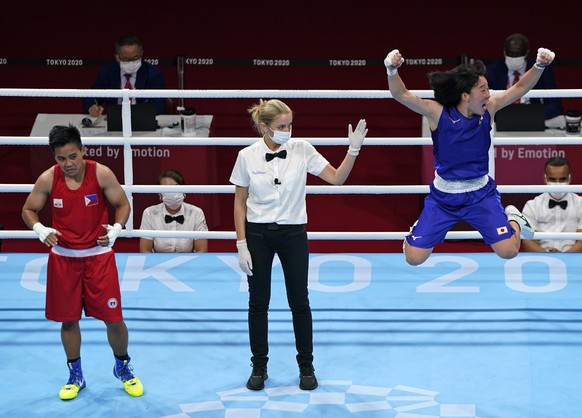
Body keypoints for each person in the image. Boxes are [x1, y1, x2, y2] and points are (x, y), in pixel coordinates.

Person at [230, 99, 367, 391]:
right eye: (281, 126)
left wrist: (352, 150)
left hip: (293, 234)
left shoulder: (302, 148)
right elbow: (240, 203)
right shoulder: (246, 155)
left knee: (299, 302)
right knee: (258, 303)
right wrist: (241, 242)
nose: (287, 130)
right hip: (257, 235)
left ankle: (306, 366)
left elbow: (337, 179)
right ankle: (259, 366)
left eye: (290, 124)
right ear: (264, 127)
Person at [384, 46, 556, 266]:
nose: (488, 94)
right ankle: (419, 228)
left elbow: (520, 87)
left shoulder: (489, 109)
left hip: (480, 195)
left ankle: (514, 217)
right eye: (483, 90)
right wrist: (392, 70)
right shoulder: (438, 113)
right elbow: (401, 94)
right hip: (443, 198)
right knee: (414, 258)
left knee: (509, 251)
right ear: (465, 96)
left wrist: (540, 65)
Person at [21, 125, 143, 400]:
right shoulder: (48, 179)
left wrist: (116, 229)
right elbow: (28, 209)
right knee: (68, 321)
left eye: (73, 156)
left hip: (98, 258)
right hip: (64, 260)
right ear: (54, 158)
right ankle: (75, 375)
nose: (68, 164)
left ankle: (123, 367)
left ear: (83, 150)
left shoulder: (100, 173)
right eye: (61, 159)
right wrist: (41, 229)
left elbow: (123, 204)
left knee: (113, 319)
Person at [83, 35, 166, 116]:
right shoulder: (107, 72)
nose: (131, 62)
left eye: (135, 58)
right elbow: (91, 97)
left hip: (142, 119)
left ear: (141, 54)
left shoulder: (153, 74)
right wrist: (91, 107)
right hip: (114, 121)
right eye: (126, 59)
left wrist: (134, 113)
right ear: (117, 57)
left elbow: (158, 103)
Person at [486, 33, 562, 120]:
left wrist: (531, 117)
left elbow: (555, 105)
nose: (514, 57)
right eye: (510, 53)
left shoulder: (541, 70)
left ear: (526, 53)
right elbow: (484, 103)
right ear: (504, 52)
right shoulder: (492, 71)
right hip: (500, 122)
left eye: (518, 54)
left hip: (533, 121)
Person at [522, 157, 582, 252]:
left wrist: (563, 259)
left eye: (562, 179)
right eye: (553, 180)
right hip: (541, 261)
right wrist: (549, 259)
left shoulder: (580, 204)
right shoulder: (532, 205)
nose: (557, 184)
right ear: (545, 178)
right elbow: (527, 242)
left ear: (570, 178)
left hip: (574, 262)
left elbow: (581, 242)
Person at [139, 169, 209, 253]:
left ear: (184, 190)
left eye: (175, 187)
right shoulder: (149, 213)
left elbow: (202, 250)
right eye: (167, 189)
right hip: (158, 263)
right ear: (160, 194)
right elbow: (145, 250)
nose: (172, 193)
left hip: (189, 262)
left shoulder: (196, 213)